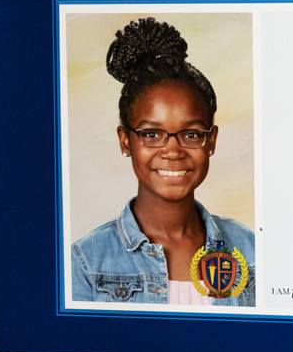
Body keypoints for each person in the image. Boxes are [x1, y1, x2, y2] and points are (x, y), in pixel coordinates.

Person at [71, 18, 255, 306]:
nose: (173, 150)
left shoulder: (251, 249)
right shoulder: (86, 261)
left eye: (192, 133)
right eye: (151, 133)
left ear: (212, 141)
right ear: (125, 141)